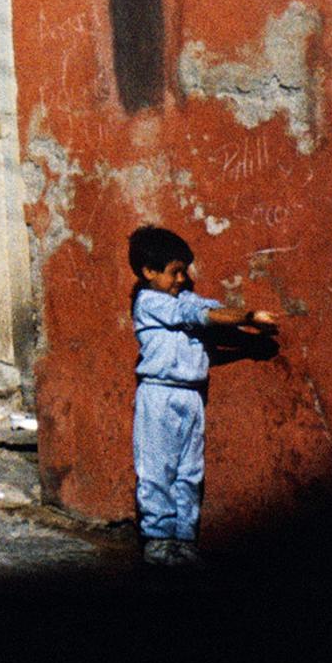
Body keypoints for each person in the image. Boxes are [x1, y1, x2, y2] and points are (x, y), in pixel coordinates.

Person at [125, 224, 276, 572]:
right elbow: (198, 316)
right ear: (149, 272)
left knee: (190, 471)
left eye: (184, 270)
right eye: (174, 272)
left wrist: (246, 326)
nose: (182, 278)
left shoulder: (185, 299)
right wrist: (249, 317)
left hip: (191, 396)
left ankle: (183, 540)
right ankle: (158, 540)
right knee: (157, 470)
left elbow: (209, 309)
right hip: (159, 394)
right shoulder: (149, 302)